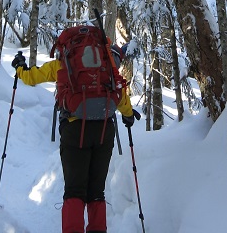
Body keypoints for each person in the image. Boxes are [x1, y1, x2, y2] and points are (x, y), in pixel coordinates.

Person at [12, 36, 138, 233]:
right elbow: (119, 93)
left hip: (74, 130)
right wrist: (129, 115)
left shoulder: (64, 63)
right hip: (104, 130)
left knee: (74, 191)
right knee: (97, 192)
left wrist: (20, 68)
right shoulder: (106, 64)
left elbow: (32, 77)